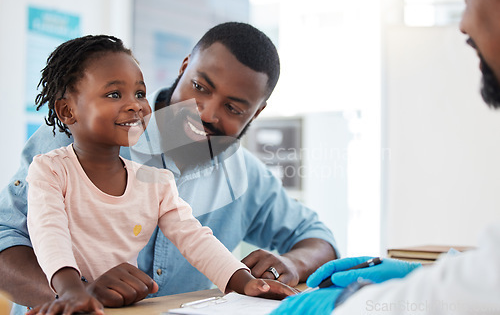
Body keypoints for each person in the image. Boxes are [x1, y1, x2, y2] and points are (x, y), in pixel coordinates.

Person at [0, 22, 338, 313]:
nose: (206, 112)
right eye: (200, 87)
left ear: (256, 114)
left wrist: (290, 265)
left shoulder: (245, 177)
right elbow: (6, 240)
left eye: (234, 108)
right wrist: (76, 293)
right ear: (184, 66)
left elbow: (318, 238)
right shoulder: (73, 135)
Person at [271, 0, 500, 314]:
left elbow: (485, 289)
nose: (463, 25)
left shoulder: (244, 175)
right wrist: (424, 274)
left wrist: (348, 305)